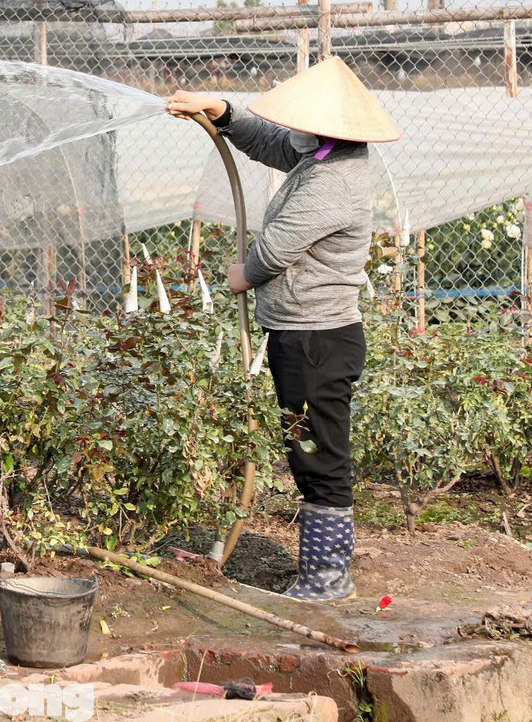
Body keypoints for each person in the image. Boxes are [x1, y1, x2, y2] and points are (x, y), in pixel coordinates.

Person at [164, 57, 400, 602]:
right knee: (307, 444)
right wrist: (220, 111)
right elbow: (272, 143)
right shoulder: (322, 152)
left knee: (318, 451)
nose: (294, 127)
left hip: (317, 338)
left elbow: (275, 250)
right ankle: (322, 571)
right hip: (303, 333)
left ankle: (326, 576)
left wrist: (243, 274)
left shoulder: (335, 181)